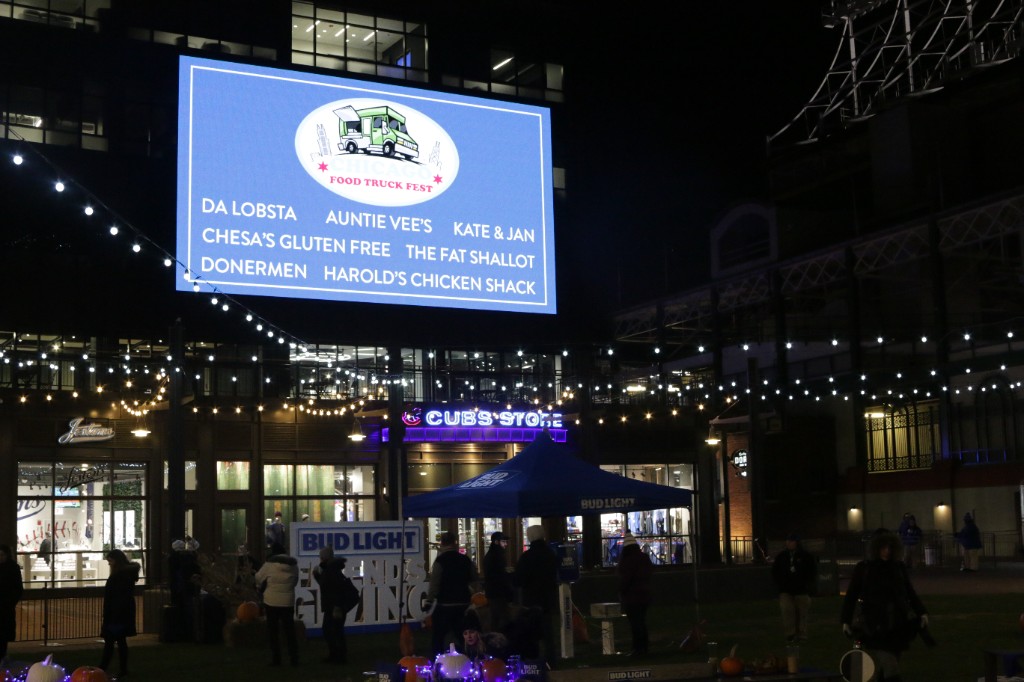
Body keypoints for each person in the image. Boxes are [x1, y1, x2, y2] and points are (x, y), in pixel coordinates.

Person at [841, 529, 929, 682]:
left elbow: (909, 592)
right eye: (883, 547)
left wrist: (921, 612)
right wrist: (846, 620)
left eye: (889, 547)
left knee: (887, 667)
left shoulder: (898, 567)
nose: (887, 551)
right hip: (874, 625)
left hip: (898, 624)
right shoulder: (864, 568)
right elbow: (851, 595)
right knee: (891, 667)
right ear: (875, 548)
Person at [426, 531, 480, 658]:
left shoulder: (440, 561)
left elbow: (435, 583)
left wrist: (429, 601)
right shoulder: (465, 559)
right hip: (463, 603)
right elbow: (475, 579)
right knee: (464, 635)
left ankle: (437, 661)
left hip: (444, 604)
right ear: (455, 543)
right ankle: (469, 659)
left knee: (438, 636)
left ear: (442, 544)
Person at [514, 524, 560, 666]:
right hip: (547, 598)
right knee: (548, 633)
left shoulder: (527, 557)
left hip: (531, 600)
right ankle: (551, 661)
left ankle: (533, 661)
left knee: (531, 633)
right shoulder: (551, 554)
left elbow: (519, 580)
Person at [255, 543, 300, 667]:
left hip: (271, 601)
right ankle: (294, 658)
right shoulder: (293, 565)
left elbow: (258, 578)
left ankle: (276, 659)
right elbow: (295, 581)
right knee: (289, 631)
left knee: (273, 632)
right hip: (288, 601)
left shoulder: (269, 565)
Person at [98, 549, 142, 678]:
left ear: (116, 561)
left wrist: (111, 614)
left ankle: (104, 667)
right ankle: (118, 668)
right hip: (122, 612)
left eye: (110, 561)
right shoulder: (126, 575)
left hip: (116, 613)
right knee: (119, 641)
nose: (109, 564)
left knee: (111, 641)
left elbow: (115, 597)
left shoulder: (118, 577)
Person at [312, 545, 356, 664]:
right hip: (335, 606)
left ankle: (337, 656)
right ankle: (338, 655)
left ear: (323, 558)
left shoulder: (330, 570)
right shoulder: (334, 569)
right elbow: (329, 586)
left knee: (330, 631)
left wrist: (336, 606)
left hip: (333, 606)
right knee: (336, 631)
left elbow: (330, 587)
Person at [771, 533, 816, 642]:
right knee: (787, 611)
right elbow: (775, 571)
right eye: (787, 541)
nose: (789, 543)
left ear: (797, 542)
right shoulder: (782, 556)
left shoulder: (805, 556)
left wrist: (807, 585)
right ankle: (790, 634)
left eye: (791, 541)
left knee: (802, 613)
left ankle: (802, 634)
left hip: (801, 590)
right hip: (786, 590)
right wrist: (780, 584)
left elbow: (812, 571)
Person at [617, 532, 653, 656]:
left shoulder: (627, 561)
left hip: (632, 597)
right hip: (644, 595)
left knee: (635, 624)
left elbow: (625, 579)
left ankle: (638, 648)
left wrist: (621, 591)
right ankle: (643, 647)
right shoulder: (644, 558)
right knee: (641, 622)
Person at [483, 531, 515, 626]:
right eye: (503, 541)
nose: (506, 544)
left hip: (493, 592)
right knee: (501, 619)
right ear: (496, 542)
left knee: (496, 619)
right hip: (498, 593)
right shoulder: (497, 556)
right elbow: (499, 576)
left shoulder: (493, 555)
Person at [0, 544, 24, 663]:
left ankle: (3, 655)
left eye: (2, 555)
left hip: (6, 606)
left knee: (4, 633)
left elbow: (18, 588)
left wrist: (11, 601)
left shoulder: (13, 568)